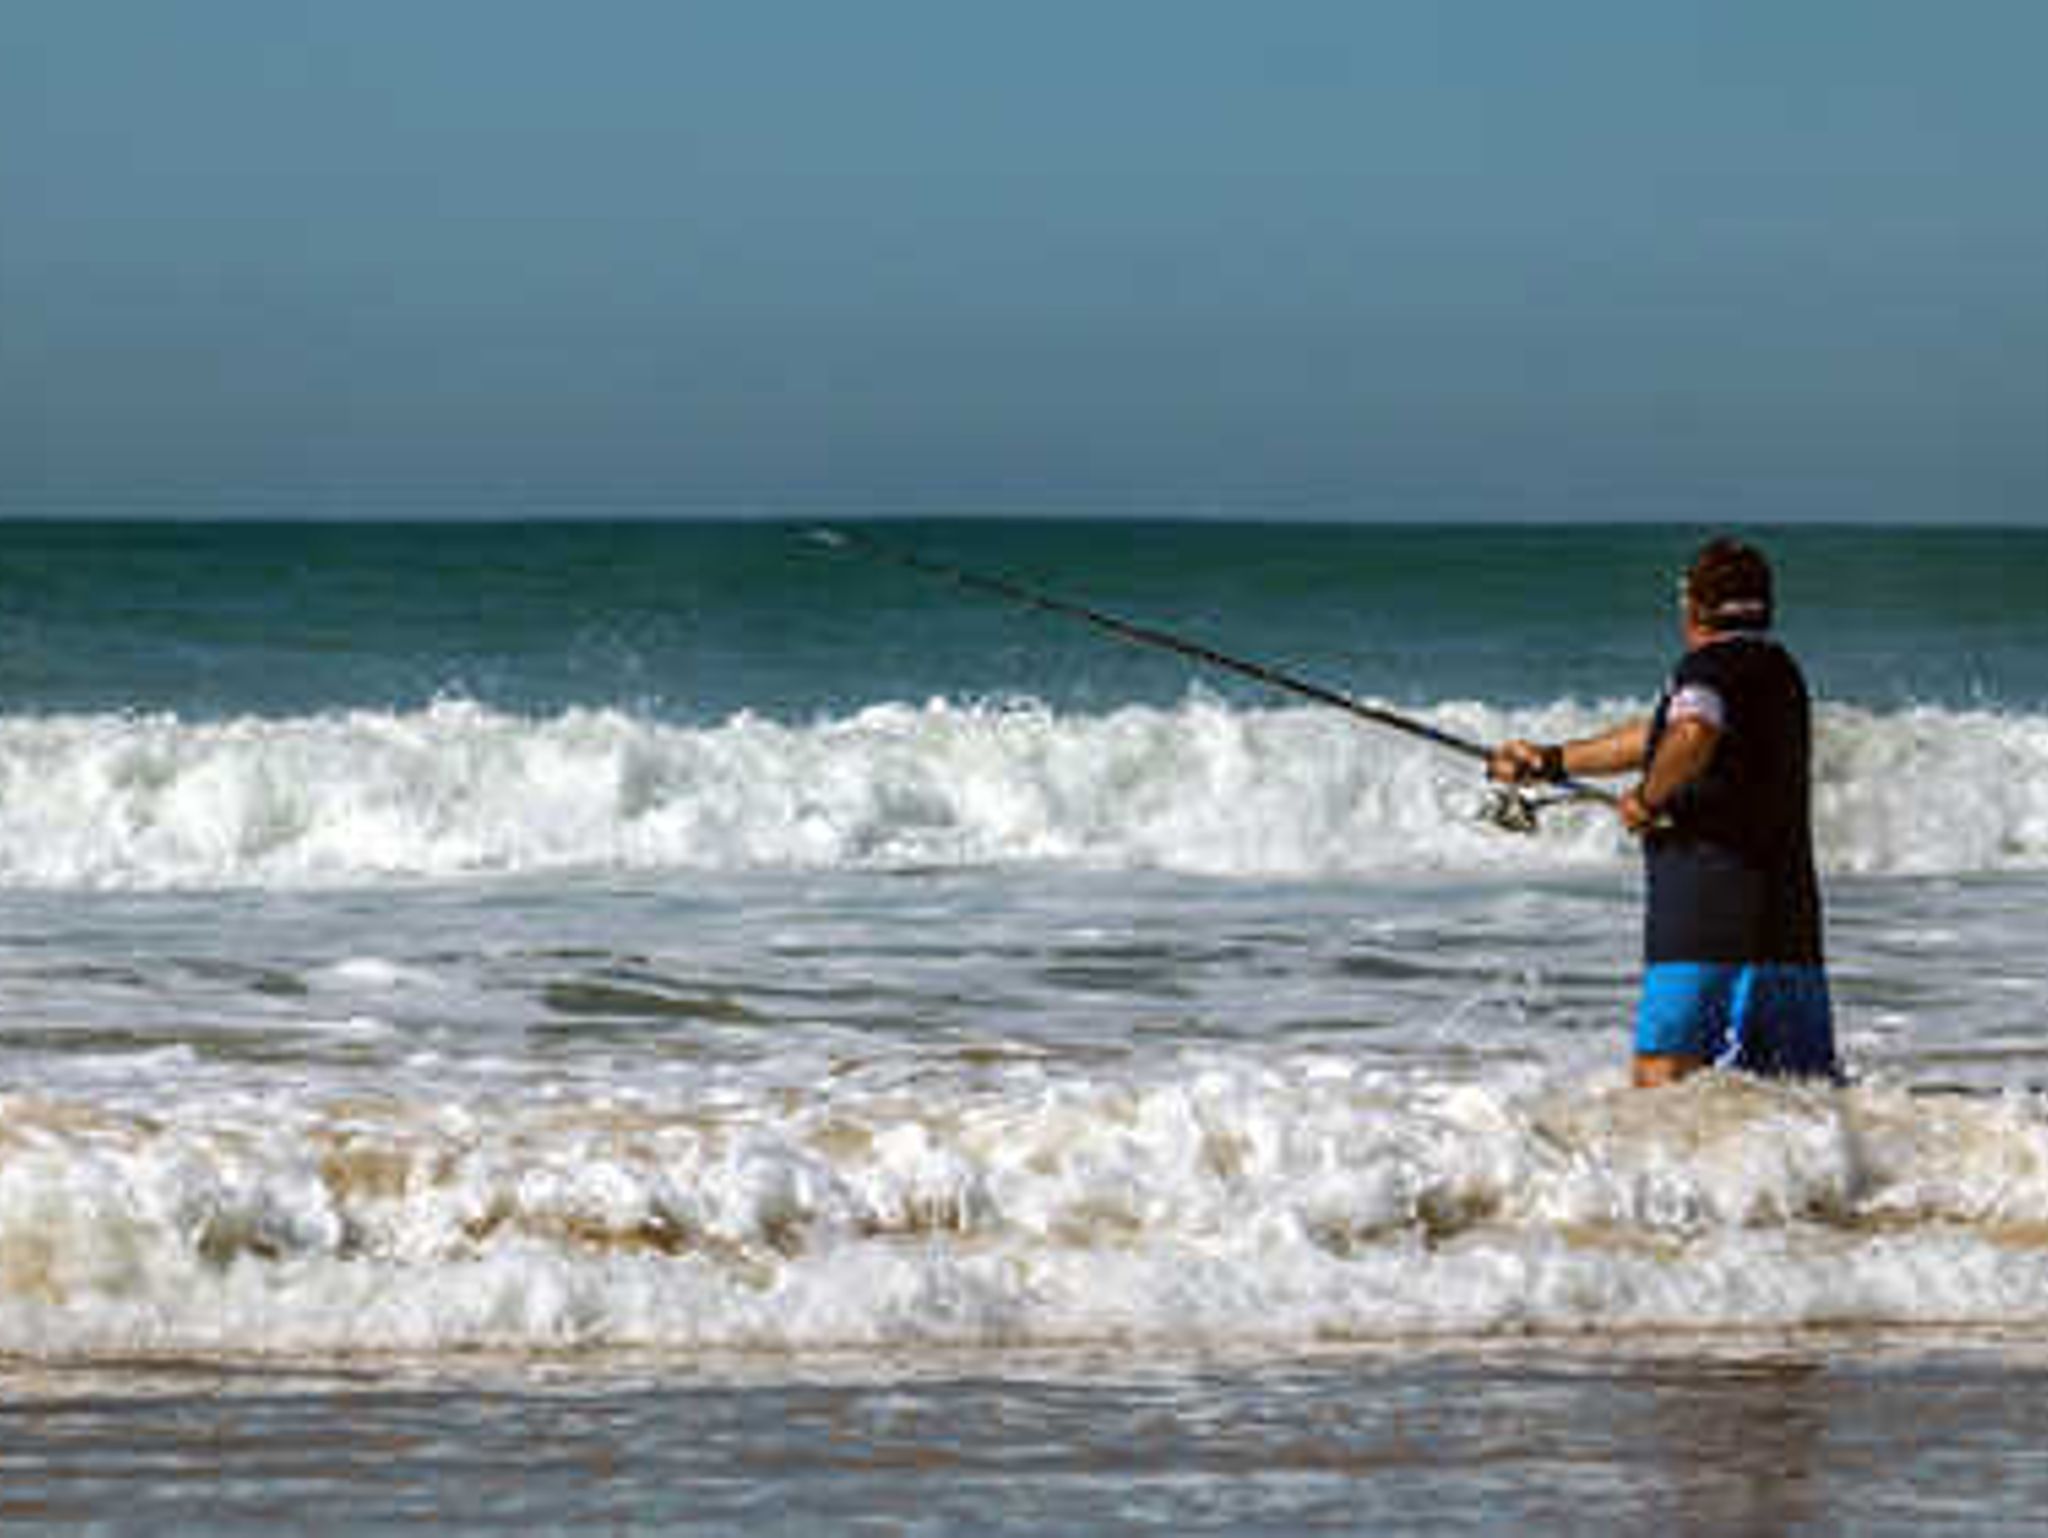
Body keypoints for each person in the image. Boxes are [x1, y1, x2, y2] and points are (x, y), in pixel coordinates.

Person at [1490, 537, 1837, 1088]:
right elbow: (1661, 738)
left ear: (1694, 606)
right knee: (1799, 1097)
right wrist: (1552, 759)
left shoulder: (1706, 667)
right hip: (1788, 928)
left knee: (1663, 1083)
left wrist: (1647, 799)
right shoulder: (1779, 671)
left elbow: (1694, 731)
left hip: (1704, 919)